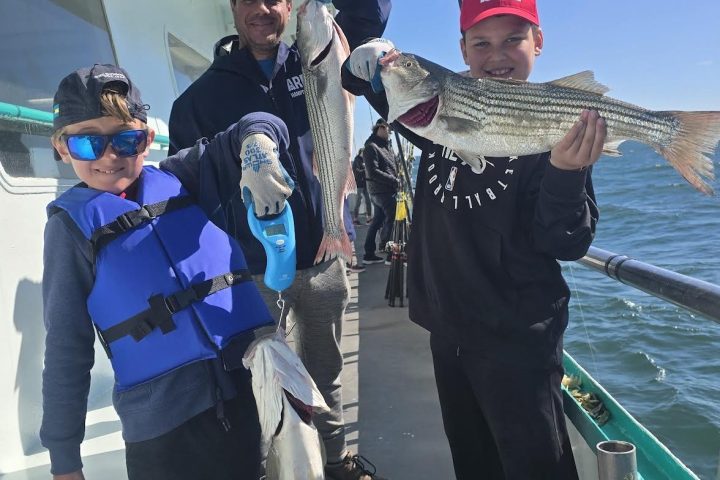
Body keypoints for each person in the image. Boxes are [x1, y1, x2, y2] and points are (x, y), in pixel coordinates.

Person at [343, 0, 606, 478]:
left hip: (517, 340)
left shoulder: (554, 127)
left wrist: (567, 172)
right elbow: (371, 83)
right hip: (447, 329)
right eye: (481, 43)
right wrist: (370, 60)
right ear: (462, 49)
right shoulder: (436, 120)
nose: (496, 54)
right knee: (473, 461)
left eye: (513, 39)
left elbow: (568, 242)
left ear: (539, 42)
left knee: (535, 467)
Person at [167, 1, 391, 478]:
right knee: (263, 381)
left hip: (324, 256)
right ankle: (275, 468)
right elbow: (186, 178)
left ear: (291, 6)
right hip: (251, 269)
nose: (262, 9)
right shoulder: (201, 96)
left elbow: (368, 14)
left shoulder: (319, 56)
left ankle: (336, 461)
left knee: (326, 374)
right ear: (232, 8)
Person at [41, 64, 295, 480]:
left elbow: (255, 123)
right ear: (62, 148)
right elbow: (66, 348)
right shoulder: (69, 229)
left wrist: (256, 144)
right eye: (88, 143)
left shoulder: (184, 176)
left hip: (252, 392)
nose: (110, 155)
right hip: (163, 433)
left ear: (147, 139)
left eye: (126, 139)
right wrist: (64, 459)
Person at [362, 119, 399, 265]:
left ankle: (368, 254)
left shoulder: (386, 146)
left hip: (384, 191)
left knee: (377, 221)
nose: (390, 133)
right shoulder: (371, 147)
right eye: (389, 130)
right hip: (381, 192)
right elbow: (373, 172)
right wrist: (395, 181)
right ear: (381, 127)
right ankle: (390, 254)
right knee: (393, 219)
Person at [352, 147, 373, 224]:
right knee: (358, 202)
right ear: (361, 152)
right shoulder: (356, 160)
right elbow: (356, 172)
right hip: (359, 185)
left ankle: (369, 218)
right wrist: (365, 170)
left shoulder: (365, 160)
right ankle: (355, 219)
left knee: (368, 201)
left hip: (365, 184)